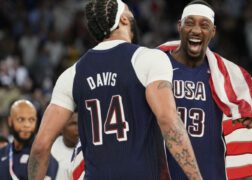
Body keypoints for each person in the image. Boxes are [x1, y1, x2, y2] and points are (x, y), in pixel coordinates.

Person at [28, 0, 201, 179]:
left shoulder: (71, 74)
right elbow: (168, 120)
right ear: (124, 20)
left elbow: (41, 145)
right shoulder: (149, 59)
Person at [158, 0, 252, 179]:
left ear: (213, 32)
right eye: (190, 22)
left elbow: (251, 115)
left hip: (210, 172)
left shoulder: (228, 76)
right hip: (162, 170)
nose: (196, 30)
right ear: (179, 26)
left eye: (204, 24)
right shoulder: (157, 65)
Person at [0, 100, 58, 179]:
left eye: (31, 120)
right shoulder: (2, 153)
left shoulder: (43, 156)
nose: (27, 125)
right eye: (21, 119)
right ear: (10, 121)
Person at [51, 113, 79, 180]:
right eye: (73, 124)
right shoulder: (50, 149)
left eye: (80, 124)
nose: (78, 128)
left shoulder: (89, 150)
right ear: (61, 128)